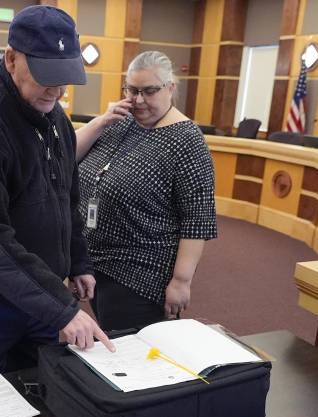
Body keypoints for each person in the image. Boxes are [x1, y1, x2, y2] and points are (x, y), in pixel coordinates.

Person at [0, 5, 115, 375]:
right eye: (47, 75)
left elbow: (67, 197)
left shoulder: (54, 117)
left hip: (40, 292)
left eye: (65, 76)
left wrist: (76, 260)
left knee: (42, 400)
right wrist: (60, 307)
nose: (59, 90)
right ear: (11, 58)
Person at [75, 51, 217, 331]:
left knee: (127, 357)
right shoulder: (121, 122)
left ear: (171, 88)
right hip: (96, 264)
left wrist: (181, 281)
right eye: (132, 90)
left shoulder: (187, 141)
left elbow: (197, 220)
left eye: (149, 91)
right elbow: (65, 156)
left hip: (139, 273)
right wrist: (101, 121)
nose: (139, 100)